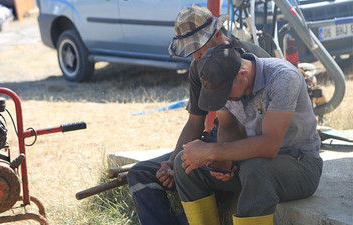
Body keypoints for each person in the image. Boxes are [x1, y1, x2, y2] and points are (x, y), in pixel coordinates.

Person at [126, 3, 270, 225]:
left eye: (200, 49)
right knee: (140, 173)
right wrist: (173, 162)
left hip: (247, 147)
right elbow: (195, 123)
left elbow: (246, 129)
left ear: (218, 33)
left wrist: (216, 157)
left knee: (193, 168)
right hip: (216, 141)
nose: (196, 57)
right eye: (191, 51)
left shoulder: (247, 60)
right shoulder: (198, 67)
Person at [173, 43, 323, 225]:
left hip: (301, 165)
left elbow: (270, 146)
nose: (224, 99)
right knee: (184, 162)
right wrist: (225, 162)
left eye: (225, 94)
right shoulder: (223, 80)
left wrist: (214, 151)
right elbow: (227, 125)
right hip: (251, 163)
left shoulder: (283, 77)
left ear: (242, 74)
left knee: (255, 169)